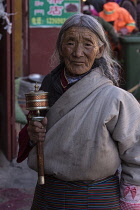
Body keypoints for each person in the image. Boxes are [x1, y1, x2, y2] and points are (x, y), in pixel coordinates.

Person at [17, 14, 140, 209]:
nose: (78, 53)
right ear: (60, 48)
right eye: (70, 43)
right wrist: (33, 135)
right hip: (48, 194)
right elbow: (31, 136)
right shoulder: (46, 90)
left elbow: (136, 154)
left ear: (100, 51)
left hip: (98, 198)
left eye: (88, 44)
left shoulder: (116, 98)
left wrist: (131, 201)